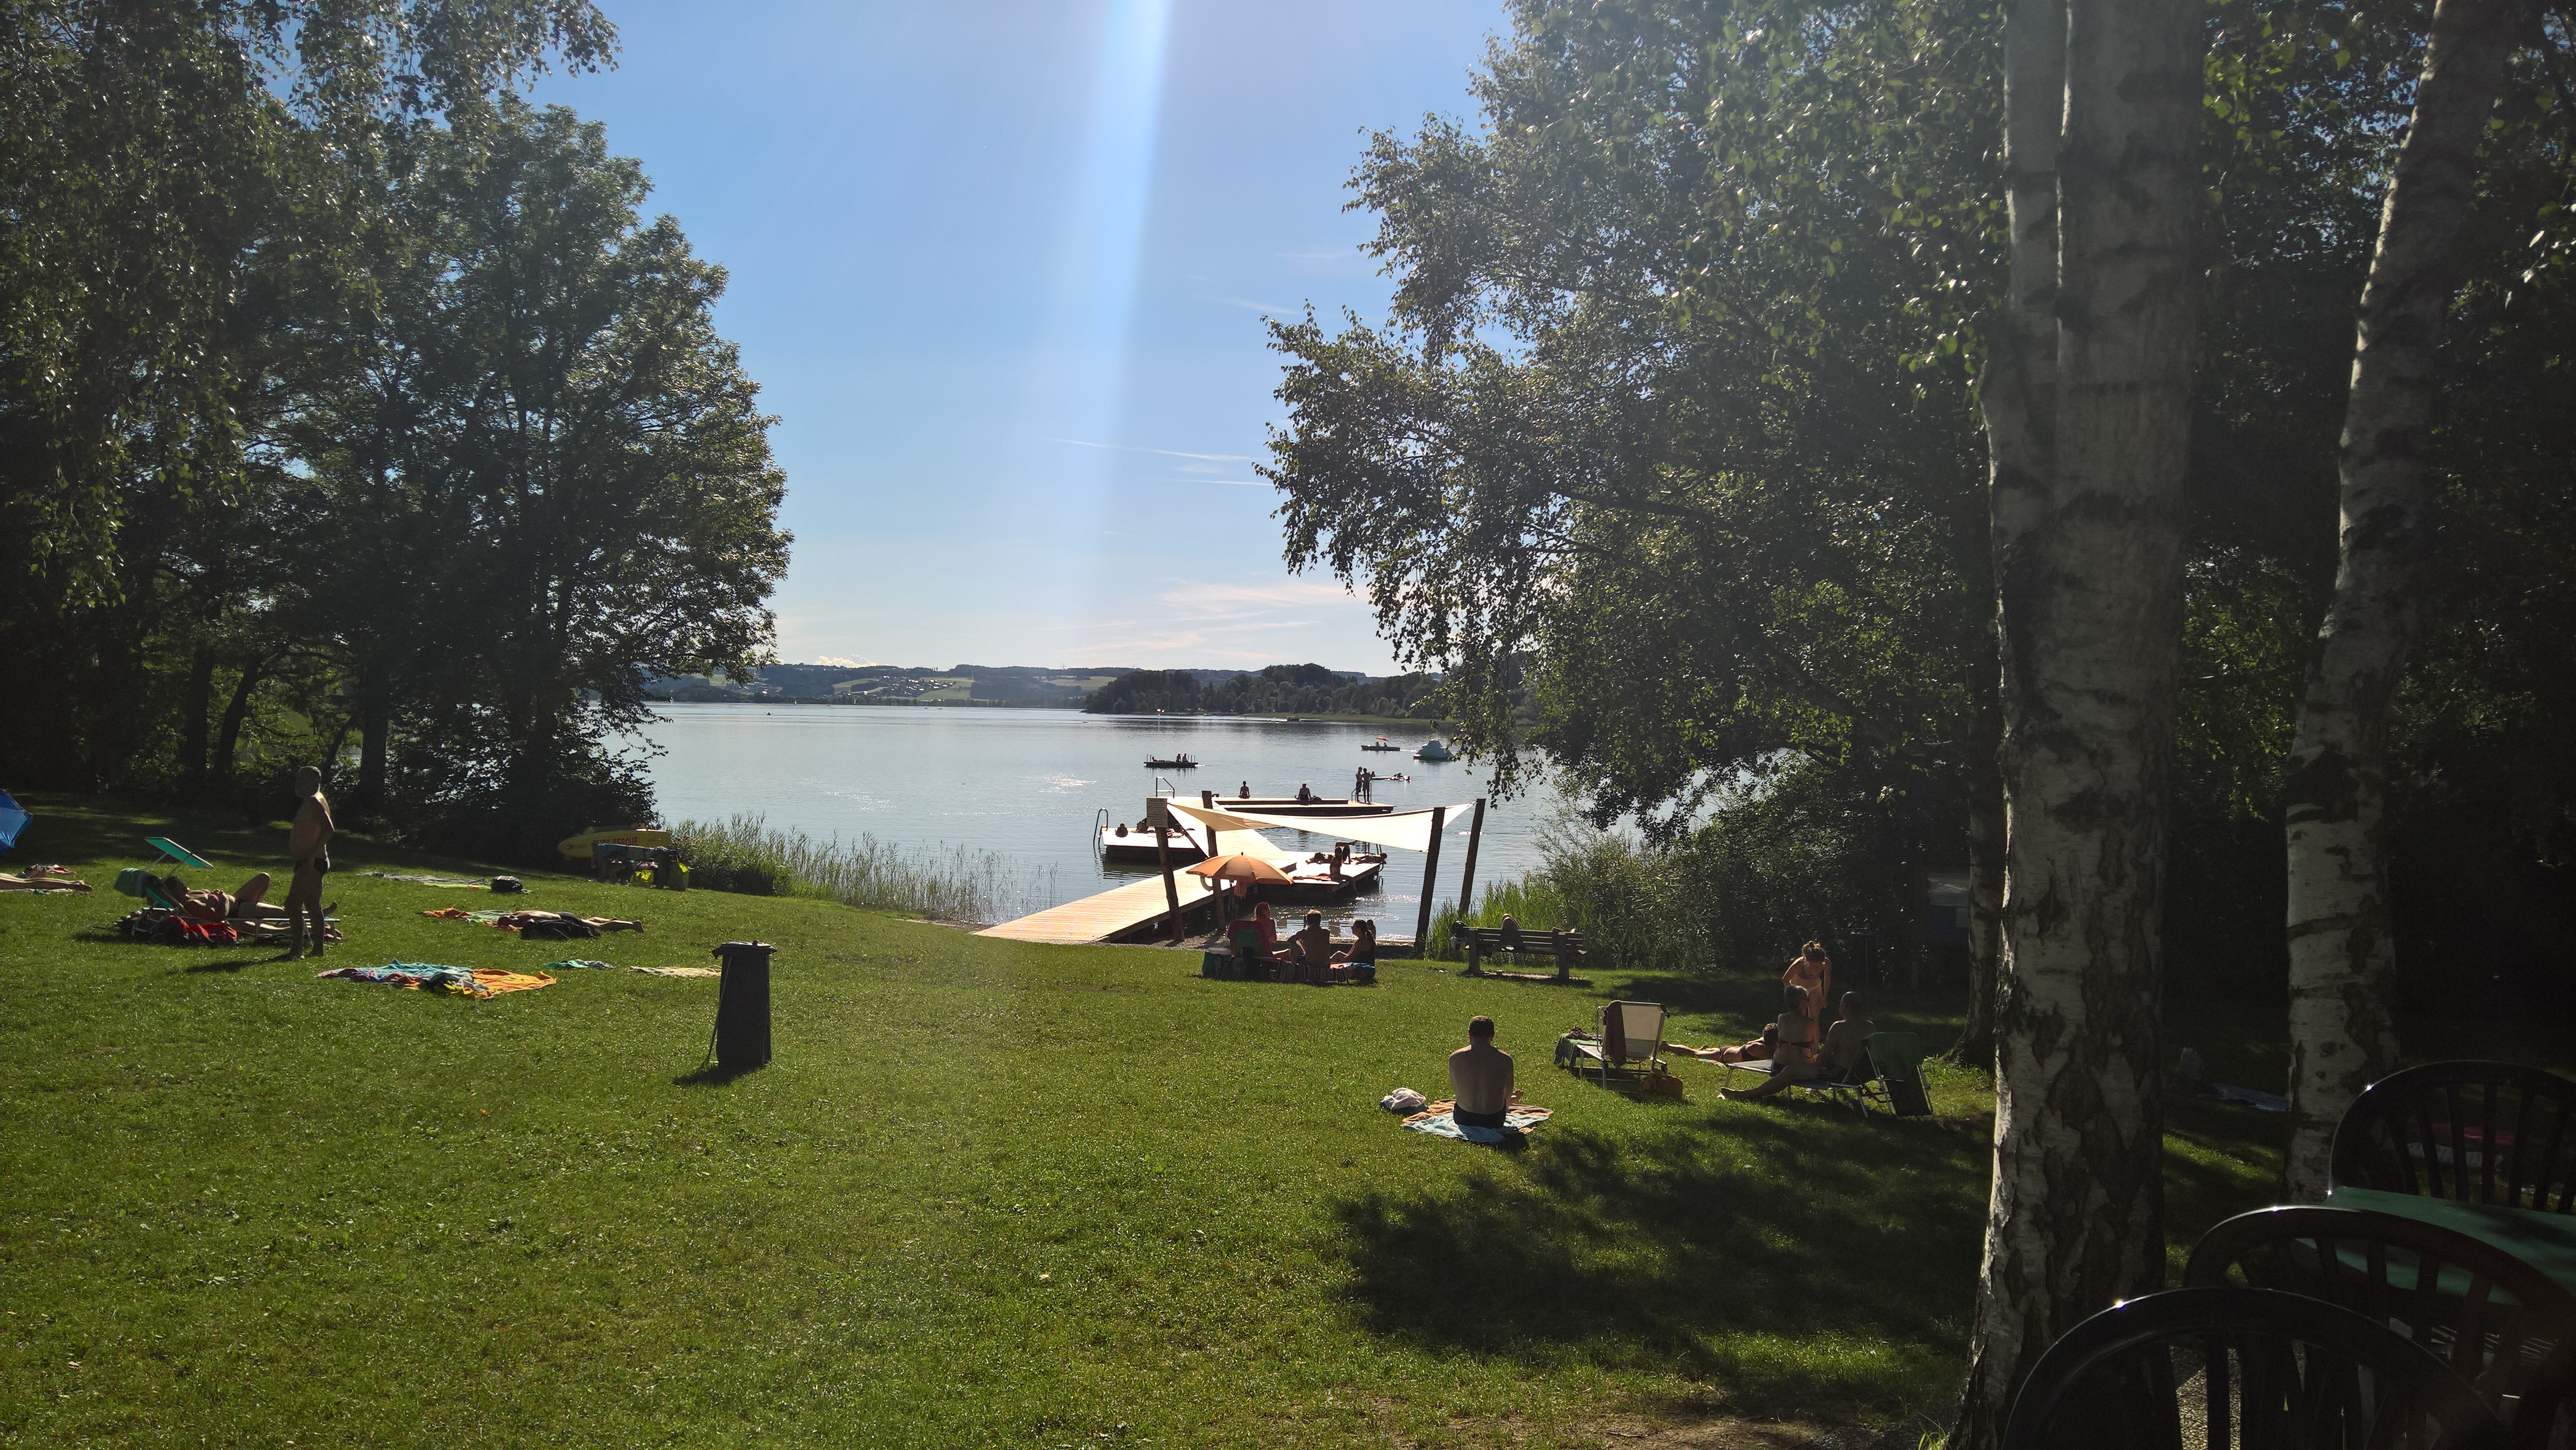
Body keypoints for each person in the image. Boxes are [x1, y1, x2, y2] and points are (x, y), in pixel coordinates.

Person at [1722, 984, 1820, 1101]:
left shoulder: (1782, 1019)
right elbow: (1815, 1049)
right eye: (1807, 1000)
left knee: (1789, 1070)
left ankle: (1748, 1094)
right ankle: (1748, 1095)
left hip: (1778, 1064)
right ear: (1801, 1003)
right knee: (1803, 1067)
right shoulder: (1811, 1024)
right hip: (1799, 1065)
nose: (1808, 1003)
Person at [282, 764, 335, 960]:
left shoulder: (315, 801)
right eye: (297, 780)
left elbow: (329, 829)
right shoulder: (313, 801)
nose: (298, 784)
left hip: (312, 861)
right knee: (313, 904)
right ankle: (318, 949)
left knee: (292, 904)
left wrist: (311, 856)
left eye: (302, 780)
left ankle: (297, 950)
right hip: (313, 860)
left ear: (315, 782)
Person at [1449, 1015, 1519, 1132]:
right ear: (1492, 1036)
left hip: (1465, 1119)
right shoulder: (1506, 1059)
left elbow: (1457, 1090)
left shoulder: (1456, 1057)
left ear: (1469, 1034)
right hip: (1494, 1120)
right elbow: (1508, 1091)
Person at [1820, 993, 1877, 1080]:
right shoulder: (1870, 1027)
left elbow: (1824, 1056)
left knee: (1798, 1071)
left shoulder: (1839, 1027)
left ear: (1846, 1007)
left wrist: (1812, 1064)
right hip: (1863, 1075)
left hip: (1841, 1074)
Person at [1784, 941, 1833, 1020]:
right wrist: (1792, 995)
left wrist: (1824, 998)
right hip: (1799, 990)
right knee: (1801, 1019)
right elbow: (1785, 979)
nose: (1817, 969)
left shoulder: (1827, 963)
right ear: (1807, 962)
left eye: (1820, 965)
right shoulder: (1799, 965)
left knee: (1814, 1020)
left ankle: (1815, 1032)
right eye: (1814, 966)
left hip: (1815, 988)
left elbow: (1827, 980)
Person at [1288, 911, 1335, 981]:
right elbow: (1314, 941)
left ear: (1308, 921)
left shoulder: (1304, 933)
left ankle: (1295, 970)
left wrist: (1304, 926)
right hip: (1326, 964)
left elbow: (1290, 940)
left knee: (1293, 943)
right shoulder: (1326, 932)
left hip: (1310, 964)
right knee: (1307, 944)